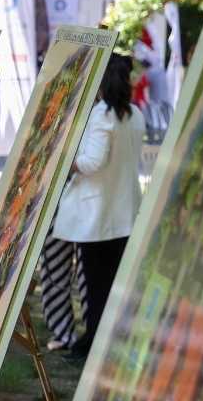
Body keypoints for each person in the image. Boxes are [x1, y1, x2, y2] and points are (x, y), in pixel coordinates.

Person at [53, 54, 144, 359]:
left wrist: (61, 161)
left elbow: (92, 163)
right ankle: (106, 342)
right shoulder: (135, 113)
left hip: (96, 215)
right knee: (112, 283)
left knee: (96, 286)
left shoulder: (101, 114)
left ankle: (92, 344)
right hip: (125, 212)